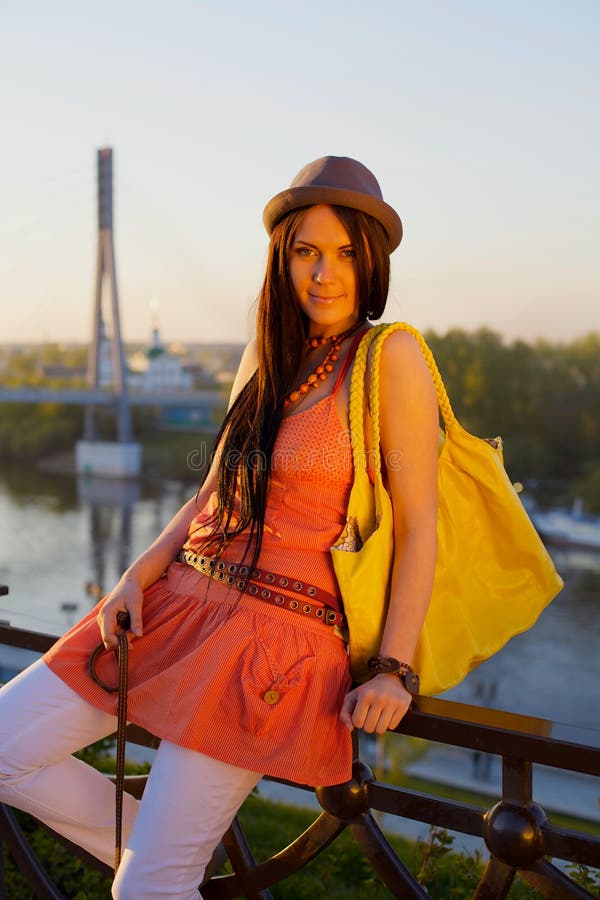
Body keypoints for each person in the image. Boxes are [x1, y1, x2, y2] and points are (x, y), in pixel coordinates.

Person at [0, 156, 439, 898]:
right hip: (176, 604)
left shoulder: (388, 355)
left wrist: (394, 665)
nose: (324, 275)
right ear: (281, 257)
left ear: (371, 262)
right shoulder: (267, 350)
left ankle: (158, 872)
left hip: (272, 644)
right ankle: (159, 859)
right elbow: (214, 492)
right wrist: (136, 572)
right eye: (305, 252)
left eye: (343, 254)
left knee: (142, 895)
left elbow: (420, 527)